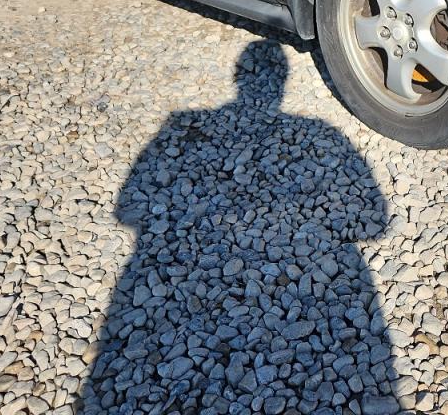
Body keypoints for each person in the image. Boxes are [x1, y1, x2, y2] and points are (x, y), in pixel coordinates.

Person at [83, 40, 400, 414]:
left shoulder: (179, 124)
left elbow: (126, 210)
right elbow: (375, 221)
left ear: (238, 78)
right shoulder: (322, 131)